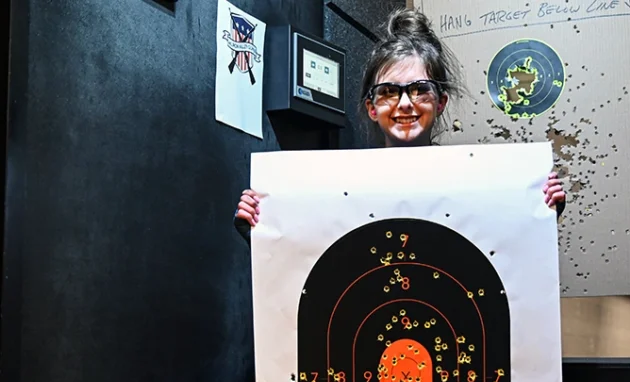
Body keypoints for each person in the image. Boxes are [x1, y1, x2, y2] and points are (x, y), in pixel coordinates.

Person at [233, 8, 566, 243]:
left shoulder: (478, 185)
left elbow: (502, 255)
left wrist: (539, 211)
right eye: (389, 92)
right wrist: (262, 231)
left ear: (441, 102)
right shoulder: (341, 186)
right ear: (372, 107)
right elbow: (311, 263)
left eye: (420, 89)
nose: (405, 103)